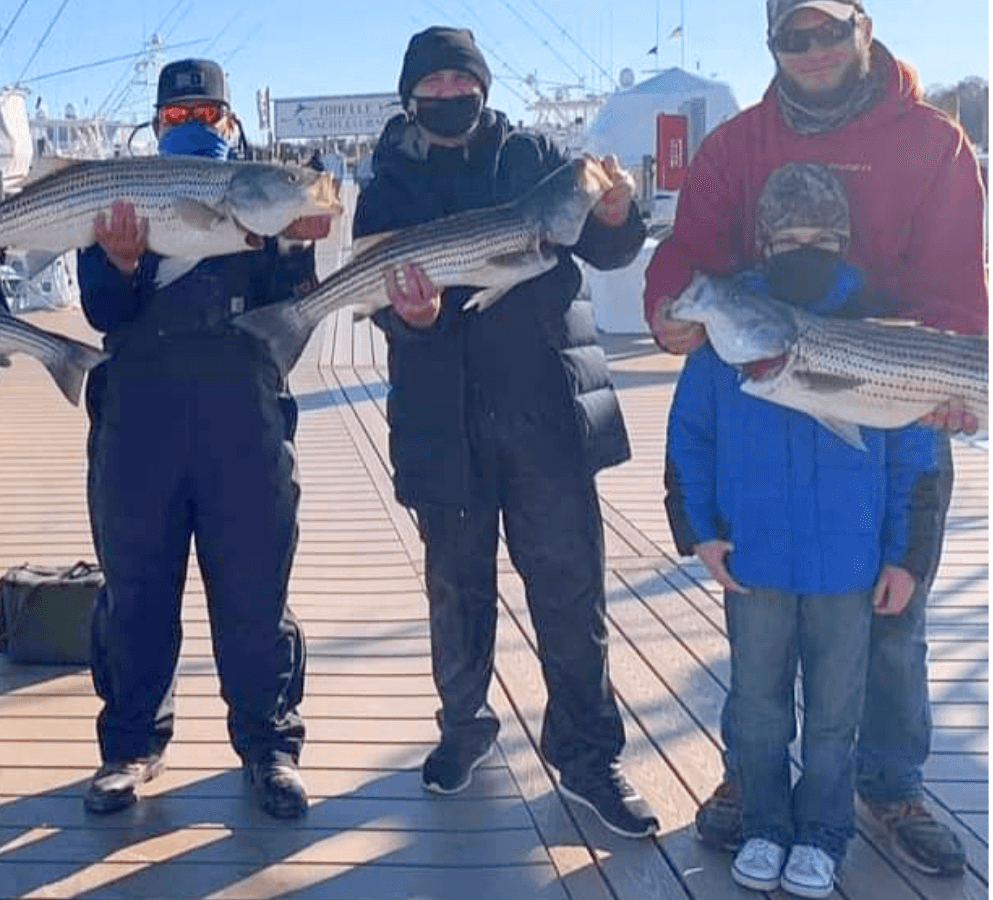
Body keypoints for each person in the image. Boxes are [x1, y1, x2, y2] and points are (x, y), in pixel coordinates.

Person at [641, 0, 987, 875]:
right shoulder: (737, 145)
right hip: (773, 405)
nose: (815, 47)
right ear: (771, 45)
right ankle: (747, 780)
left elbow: (955, 287)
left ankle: (890, 779)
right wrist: (665, 309)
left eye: (830, 27)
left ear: (863, 28)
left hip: (900, 397)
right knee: (757, 640)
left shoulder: (933, 142)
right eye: (794, 35)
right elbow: (687, 255)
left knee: (891, 610)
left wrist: (946, 387)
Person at [354, 27, 658, 838]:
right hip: (439, 416)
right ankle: (463, 728)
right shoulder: (383, 184)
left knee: (569, 592)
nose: (449, 94)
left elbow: (604, 243)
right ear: (409, 95)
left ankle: (589, 754)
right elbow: (384, 301)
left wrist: (621, 209)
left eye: (462, 79)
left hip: (546, 412)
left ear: (482, 88)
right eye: (434, 83)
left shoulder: (536, 160)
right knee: (456, 590)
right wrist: (408, 317)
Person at [666, 162, 943, 898]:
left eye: (821, 236)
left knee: (833, 715)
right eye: (787, 235)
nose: (803, 247)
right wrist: (698, 531)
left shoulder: (878, 323)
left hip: (848, 569)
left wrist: (904, 558)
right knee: (754, 709)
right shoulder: (727, 334)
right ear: (762, 242)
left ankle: (823, 831)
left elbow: (914, 458)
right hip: (752, 561)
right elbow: (687, 440)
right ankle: (763, 822)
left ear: (844, 239)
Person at [77, 58, 329, 820]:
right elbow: (98, 312)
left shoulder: (267, 194)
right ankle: (128, 746)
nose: (192, 126)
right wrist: (121, 263)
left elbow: (296, 316)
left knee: (255, 592)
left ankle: (268, 746)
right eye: (178, 116)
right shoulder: (121, 200)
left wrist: (290, 244)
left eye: (206, 115)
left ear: (230, 123)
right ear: (157, 125)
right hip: (137, 423)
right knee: (135, 593)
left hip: (243, 420)